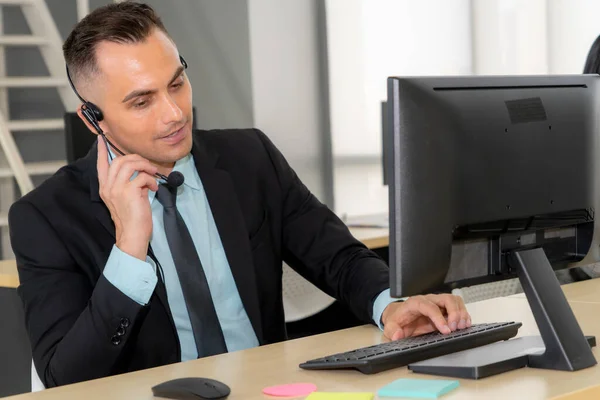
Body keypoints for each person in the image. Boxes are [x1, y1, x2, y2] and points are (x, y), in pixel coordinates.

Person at [9, 1, 470, 388]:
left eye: (176, 83)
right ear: (93, 119)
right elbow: (63, 379)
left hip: (270, 389)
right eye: (142, 101)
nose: (174, 113)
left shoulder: (249, 158)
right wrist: (129, 248)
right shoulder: (46, 217)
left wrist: (392, 304)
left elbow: (339, 258)